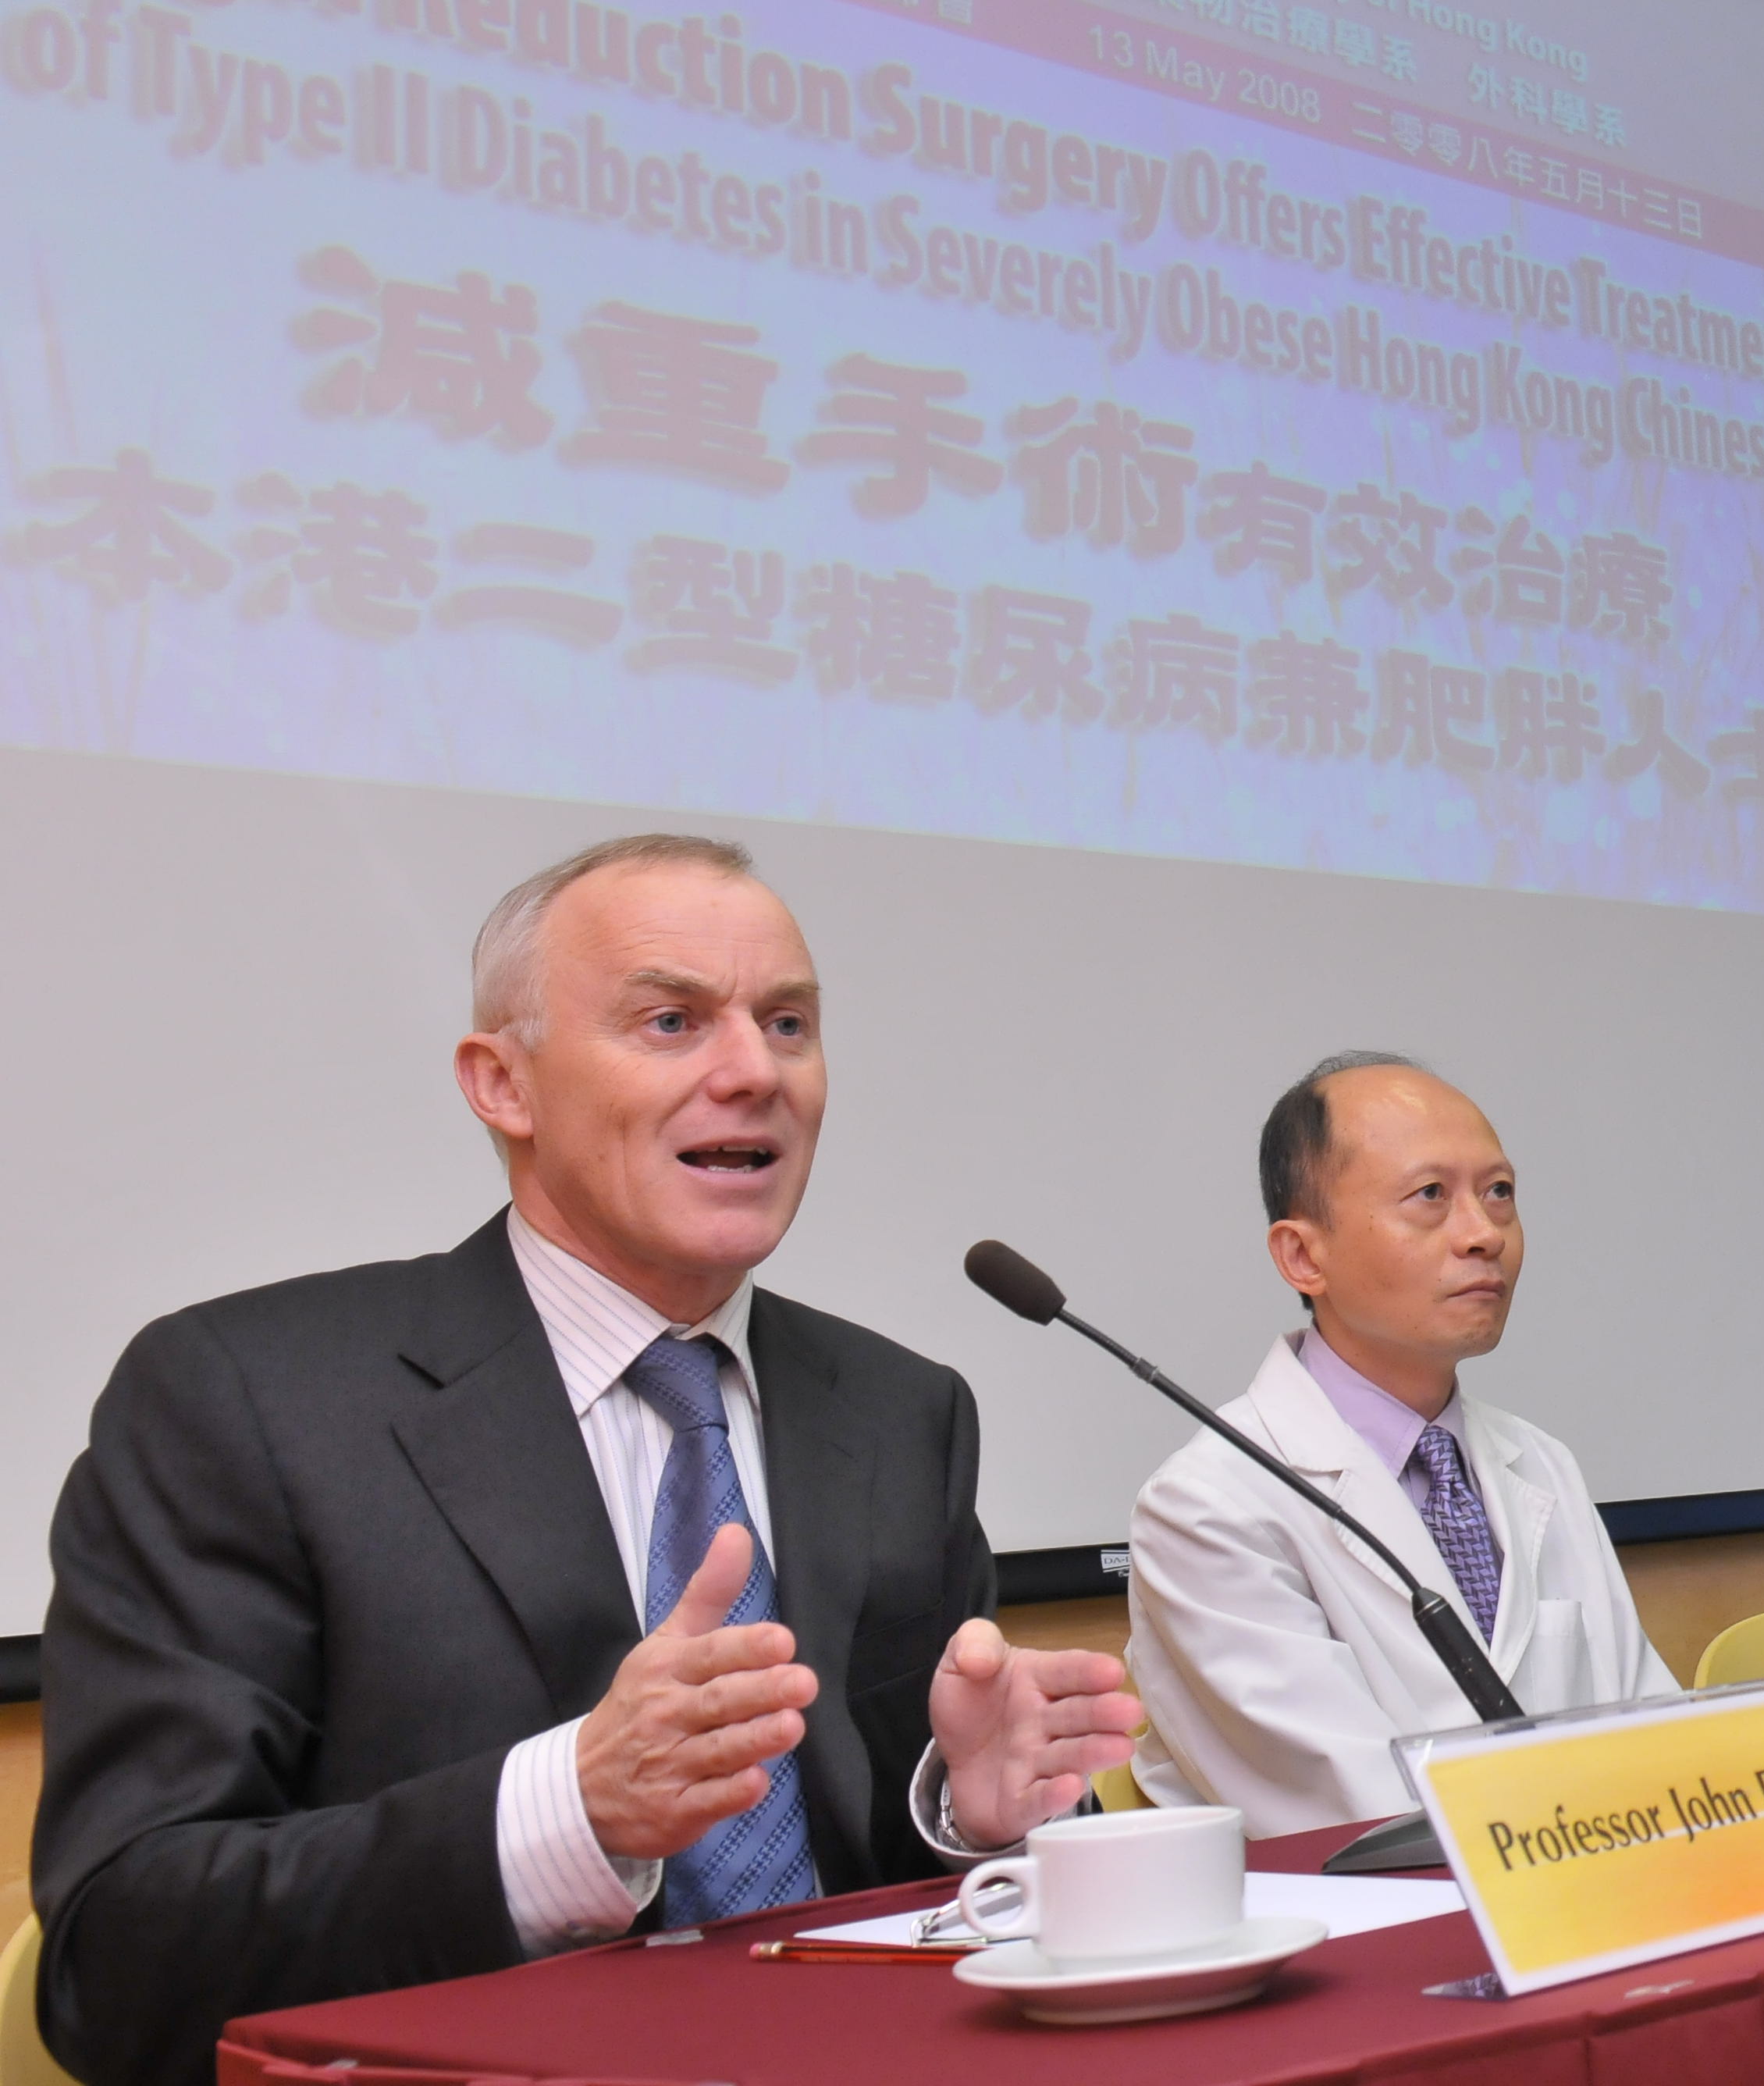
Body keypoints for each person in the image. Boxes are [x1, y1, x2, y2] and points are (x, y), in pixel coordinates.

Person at [34, 836, 1140, 2086]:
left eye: (788, 1024)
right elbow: (117, 1957)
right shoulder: (246, 1400)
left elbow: (899, 1885)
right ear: (502, 1084)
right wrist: (570, 1815)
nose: (752, 1072)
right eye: (672, 1021)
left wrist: (971, 1821)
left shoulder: (896, 1409)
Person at [1122, 1055, 1677, 1839]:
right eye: (1430, 1196)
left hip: (1589, 1913)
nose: (1484, 1234)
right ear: (1302, 1256)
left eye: (1499, 1193)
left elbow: (1660, 1741)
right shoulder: (1209, 1503)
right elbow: (1359, 1815)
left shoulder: (1538, 1461)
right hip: (1363, 1937)